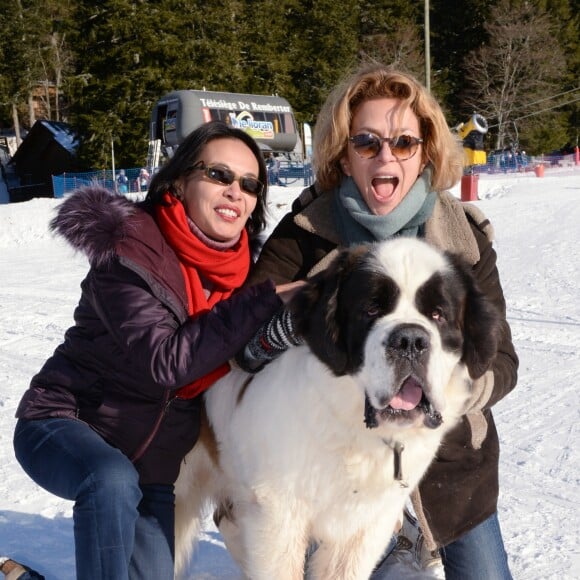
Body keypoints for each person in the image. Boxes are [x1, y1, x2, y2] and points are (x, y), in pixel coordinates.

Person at [239, 63, 519, 579]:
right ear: (344, 156)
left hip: (449, 459)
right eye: (367, 142)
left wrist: (449, 391)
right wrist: (300, 309)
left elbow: (501, 358)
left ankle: (406, 533)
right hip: (327, 452)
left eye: (404, 142)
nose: (386, 156)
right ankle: (387, 541)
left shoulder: (463, 236)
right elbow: (242, 335)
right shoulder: (304, 232)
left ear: (426, 151)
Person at [12, 120, 301, 580]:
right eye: (219, 175)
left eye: (250, 185)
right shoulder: (128, 249)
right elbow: (165, 362)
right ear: (182, 178)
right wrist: (263, 301)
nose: (235, 192)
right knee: (109, 479)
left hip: (152, 464)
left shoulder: (242, 275)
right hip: (62, 423)